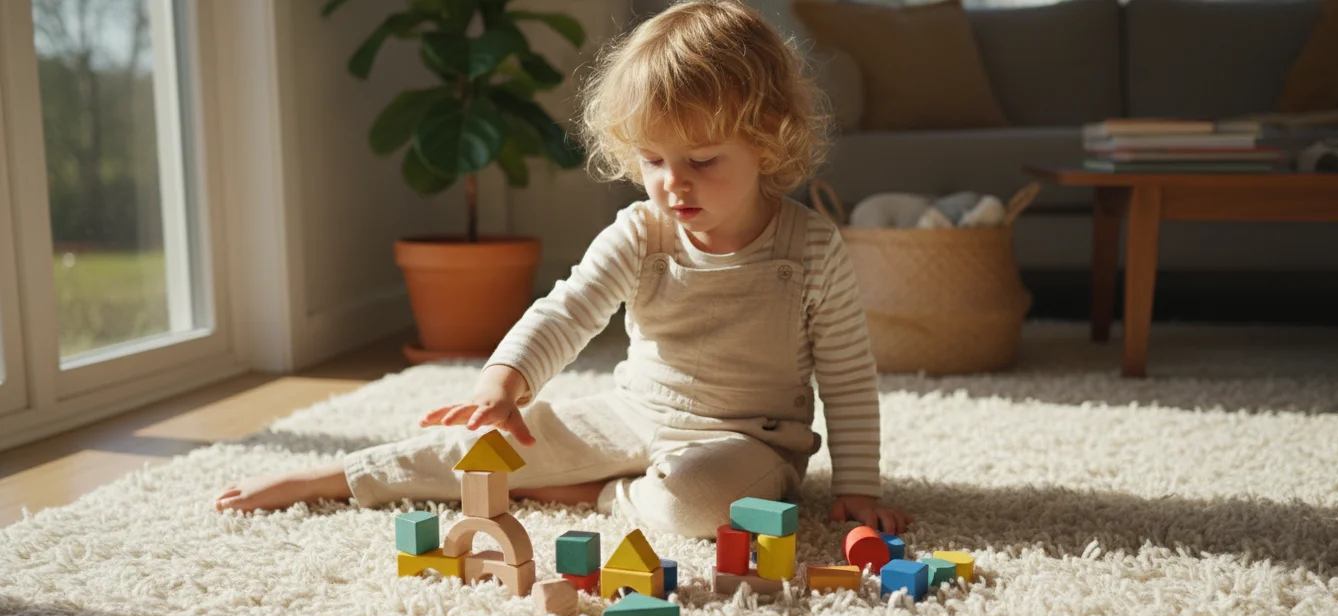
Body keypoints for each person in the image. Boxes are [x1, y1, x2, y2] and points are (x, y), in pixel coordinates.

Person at [215, 0, 912, 537]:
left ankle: (602, 495)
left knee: (700, 501)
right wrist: (506, 377)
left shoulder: (812, 247)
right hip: (634, 415)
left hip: (747, 444)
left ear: (765, 140)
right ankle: (332, 476)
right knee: (485, 447)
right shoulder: (642, 230)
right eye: (653, 160)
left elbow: (848, 380)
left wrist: (858, 490)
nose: (673, 184)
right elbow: (569, 307)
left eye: (701, 161)